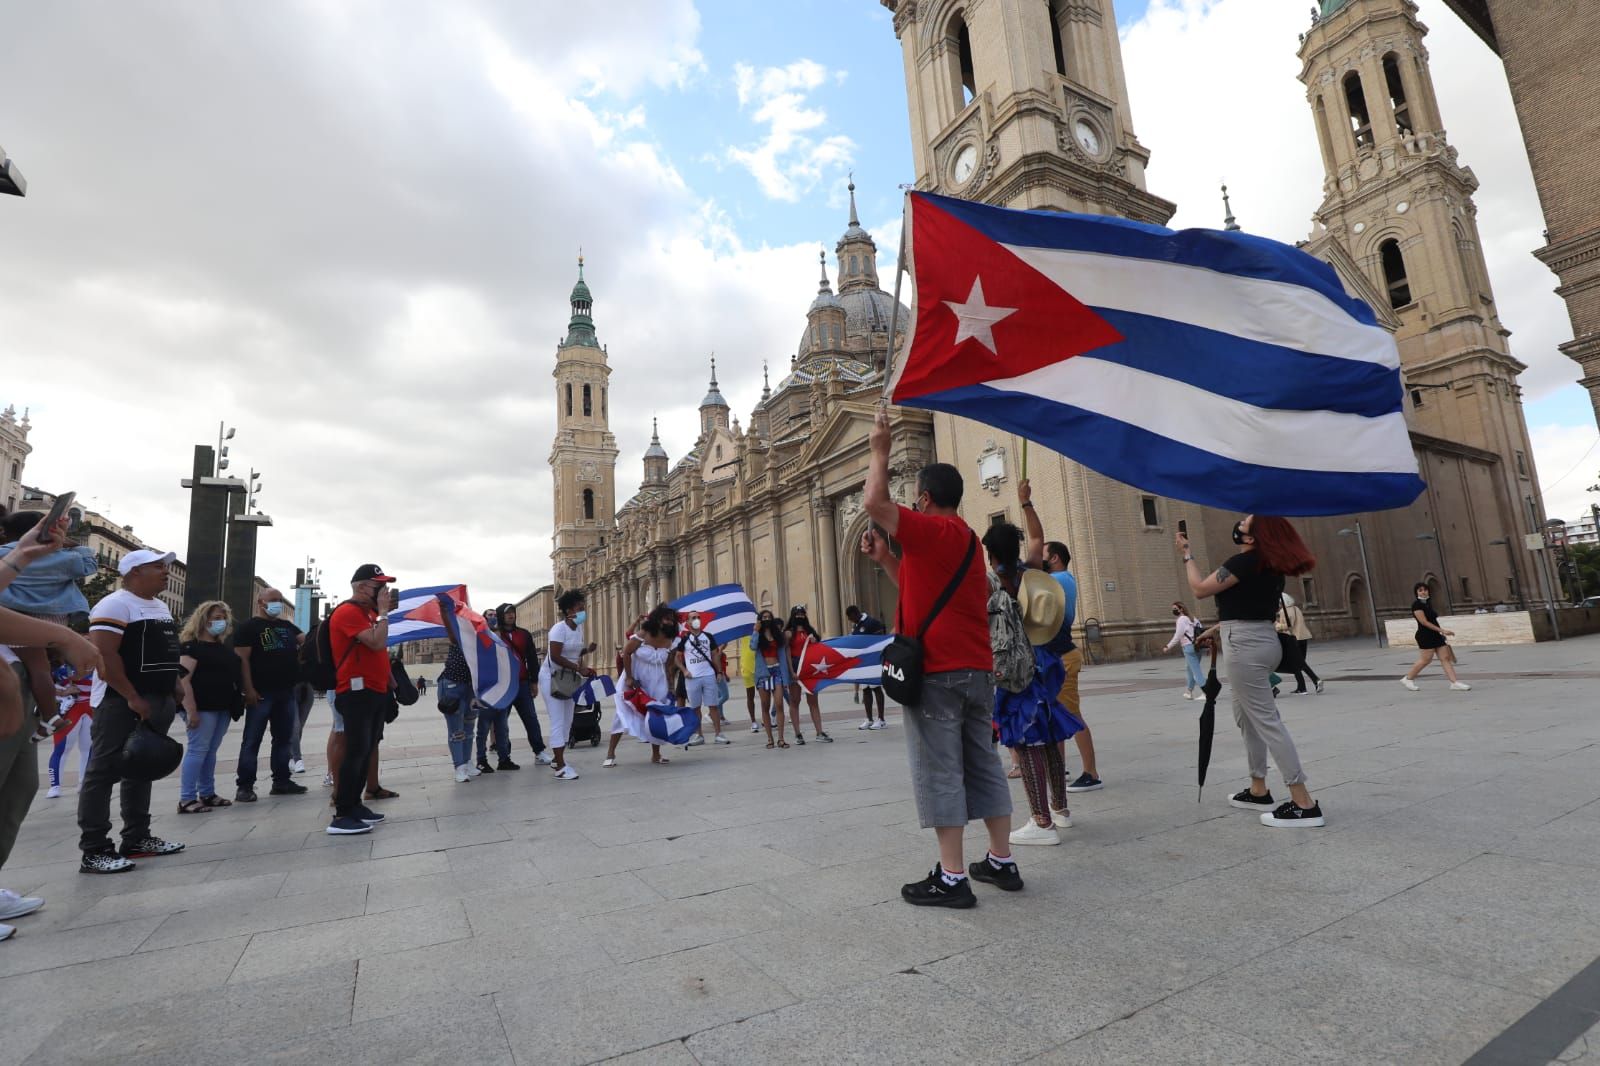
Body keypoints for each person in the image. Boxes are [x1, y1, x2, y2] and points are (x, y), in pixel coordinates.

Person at [863, 408, 1020, 907]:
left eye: (916, 498)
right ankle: (1001, 859)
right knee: (984, 765)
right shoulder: (969, 543)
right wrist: (887, 559)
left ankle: (952, 877)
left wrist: (879, 448)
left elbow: (873, 500)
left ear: (925, 498)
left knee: (941, 771)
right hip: (976, 671)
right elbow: (922, 592)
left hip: (936, 674)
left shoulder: (930, 530)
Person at [1180, 515, 1325, 828]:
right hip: (1260, 639)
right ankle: (1258, 788)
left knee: (1267, 721)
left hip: (1245, 646)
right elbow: (1250, 608)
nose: (1239, 523)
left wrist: (1187, 554)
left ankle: (1303, 802)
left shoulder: (1244, 562)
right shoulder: (1270, 565)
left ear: (1252, 537)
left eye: (1245, 523)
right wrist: (1218, 628)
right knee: (1247, 718)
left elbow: (1199, 589)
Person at [1, 512, 102, 934]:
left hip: (14, 675)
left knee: (20, 785)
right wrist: (62, 636)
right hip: (9, 673)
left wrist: (25, 552)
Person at [78, 548, 188, 872]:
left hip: (158, 698)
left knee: (142, 766)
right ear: (134, 572)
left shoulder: (160, 607)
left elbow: (165, 651)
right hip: (119, 701)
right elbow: (105, 656)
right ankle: (95, 848)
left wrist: (175, 683)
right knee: (103, 772)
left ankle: (137, 837)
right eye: (157, 566)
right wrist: (131, 695)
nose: (165, 572)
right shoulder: (115, 604)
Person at [981, 520, 1079, 847]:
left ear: (991, 553)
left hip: (1015, 666)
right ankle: (1060, 809)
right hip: (1045, 660)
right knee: (1048, 736)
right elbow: (1037, 537)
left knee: (1027, 740)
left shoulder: (991, 582)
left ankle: (1041, 821)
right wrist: (1026, 503)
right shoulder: (1030, 573)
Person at [0, 509, 98, 735]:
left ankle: (50, 715)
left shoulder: (6, 552)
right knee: (43, 666)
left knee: (38, 668)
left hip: (18, 616)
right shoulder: (66, 557)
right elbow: (89, 563)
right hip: (53, 617)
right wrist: (67, 543)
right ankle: (50, 714)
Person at [325, 564, 395, 835]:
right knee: (355, 751)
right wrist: (384, 613)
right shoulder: (348, 612)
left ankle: (355, 806)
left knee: (366, 749)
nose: (384, 590)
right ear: (363, 586)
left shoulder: (368, 614)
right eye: (379, 585)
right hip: (355, 692)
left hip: (374, 689)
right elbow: (376, 642)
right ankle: (342, 814)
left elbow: (379, 650)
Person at [233, 588, 308, 801]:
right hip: (261, 692)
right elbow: (242, 660)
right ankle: (245, 786)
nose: (277, 604)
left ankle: (281, 781)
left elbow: (307, 641)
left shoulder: (286, 626)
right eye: (273, 600)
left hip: (286, 690)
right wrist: (248, 689)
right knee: (252, 739)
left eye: (280, 601)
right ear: (261, 602)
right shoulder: (248, 628)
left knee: (283, 739)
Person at [176, 601, 243, 814]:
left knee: (210, 751)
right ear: (203, 619)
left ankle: (207, 792)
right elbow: (183, 680)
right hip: (202, 707)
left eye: (224, 617)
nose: (221, 621)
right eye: (216, 617)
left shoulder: (222, 647)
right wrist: (191, 710)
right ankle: (187, 798)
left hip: (222, 706)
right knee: (197, 750)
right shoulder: (191, 647)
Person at [606, 606, 672, 767]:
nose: (670, 622)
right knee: (622, 716)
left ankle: (656, 755)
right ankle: (610, 753)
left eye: (672, 619)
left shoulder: (670, 639)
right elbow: (627, 652)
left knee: (656, 716)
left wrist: (671, 686)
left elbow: (669, 667)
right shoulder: (643, 634)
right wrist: (629, 677)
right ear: (657, 619)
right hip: (635, 680)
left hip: (657, 682)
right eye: (666, 618)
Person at [539, 589, 594, 780]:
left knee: (568, 719)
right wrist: (578, 669)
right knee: (557, 720)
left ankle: (557, 758)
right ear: (569, 610)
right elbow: (555, 657)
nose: (583, 611)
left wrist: (587, 651)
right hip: (552, 678)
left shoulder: (577, 629)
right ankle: (560, 768)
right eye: (580, 607)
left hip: (568, 679)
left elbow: (573, 652)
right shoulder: (558, 629)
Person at [1401, 583, 1472, 692]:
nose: (1423, 592)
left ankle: (1454, 683)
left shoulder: (1428, 604)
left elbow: (1433, 620)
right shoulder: (1416, 605)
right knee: (1425, 660)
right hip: (1425, 636)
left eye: (1425, 590)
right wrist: (1442, 630)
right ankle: (1408, 678)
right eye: (1420, 590)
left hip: (1436, 635)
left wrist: (1440, 633)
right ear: (1416, 593)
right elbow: (1424, 622)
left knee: (1445, 658)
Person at [675, 611, 729, 745]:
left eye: (698, 617)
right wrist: (684, 670)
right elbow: (677, 658)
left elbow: (715, 655)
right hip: (692, 678)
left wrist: (719, 672)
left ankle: (719, 734)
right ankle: (699, 735)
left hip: (708, 675)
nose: (697, 619)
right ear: (687, 622)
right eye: (693, 618)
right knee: (695, 708)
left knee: (713, 706)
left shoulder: (708, 637)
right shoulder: (685, 639)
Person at [782, 605, 832, 744]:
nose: (800, 616)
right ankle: (798, 734)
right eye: (797, 614)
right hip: (795, 666)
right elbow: (786, 652)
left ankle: (819, 732)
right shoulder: (788, 633)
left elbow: (817, 649)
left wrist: (815, 642)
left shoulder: (810, 631)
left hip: (809, 668)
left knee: (813, 701)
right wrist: (791, 671)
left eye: (802, 613)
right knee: (795, 700)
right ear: (793, 615)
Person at [46, 662, 93, 798]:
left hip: (90, 708)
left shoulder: (96, 658)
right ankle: (55, 786)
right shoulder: (60, 660)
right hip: (69, 708)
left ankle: (84, 782)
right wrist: (63, 691)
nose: (87, 639)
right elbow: (44, 682)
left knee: (88, 749)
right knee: (61, 749)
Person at [437, 640, 479, 783]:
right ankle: (459, 766)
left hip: (471, 686)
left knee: (469, 727)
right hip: (452, 685)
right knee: (456, 729)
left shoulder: (481, 638)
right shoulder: (456, 633)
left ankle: (467, 762)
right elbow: (449, 623)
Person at [845, 604, 888, 730]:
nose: (850, 620)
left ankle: (881, 719)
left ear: (855, 614)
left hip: (873, 661)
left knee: (876, 688)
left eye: (850, 617)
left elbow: (881, 639)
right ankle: (869, 719)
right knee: (866, 689)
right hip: (862, 663)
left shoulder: (872, 622)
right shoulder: (855, 627)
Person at [751, 611, 787, 748]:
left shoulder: (777, 634)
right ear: (760, 620)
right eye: (764, 617)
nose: (766, 619)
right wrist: (755, 631)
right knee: (765, 706)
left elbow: (782, 654)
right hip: (763, 672)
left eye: (769, 617)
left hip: (776, 670)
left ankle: (781, 738)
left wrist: (786, 676)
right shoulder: (757, 635)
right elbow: (753, 647)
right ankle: (770, 739)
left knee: (779, 704)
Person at [1277, 593, 1324, 695]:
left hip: (1293, 639)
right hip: (1303, 637)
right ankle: (1302, 687)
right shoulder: (1296, 609)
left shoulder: (1284, 611)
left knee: (1298, 663)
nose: (1279, 604)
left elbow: (1287, 626)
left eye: (1280, 602)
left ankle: (1314, 680)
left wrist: (1276, 625)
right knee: (1299, 663)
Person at [1163, 602, 1206, 700]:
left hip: (1188, 647)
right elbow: (1201, 629)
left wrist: (1168, 646)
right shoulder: (1193, 619)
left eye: (1175, 608)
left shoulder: (1181, 620)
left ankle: (1206, 691)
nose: (1173, 610)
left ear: (1181, 609)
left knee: (1196, 671)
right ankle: (1189, 691)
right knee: (1190, 669)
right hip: (1197, 646)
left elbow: (1178, 635)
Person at [737, 628, 760, 734]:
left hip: (760, 667)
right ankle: (753, 721)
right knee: (750, 696)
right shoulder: (743, 629)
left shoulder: (759, 629)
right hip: (747, 667)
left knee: (765, 696)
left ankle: (768, 718)